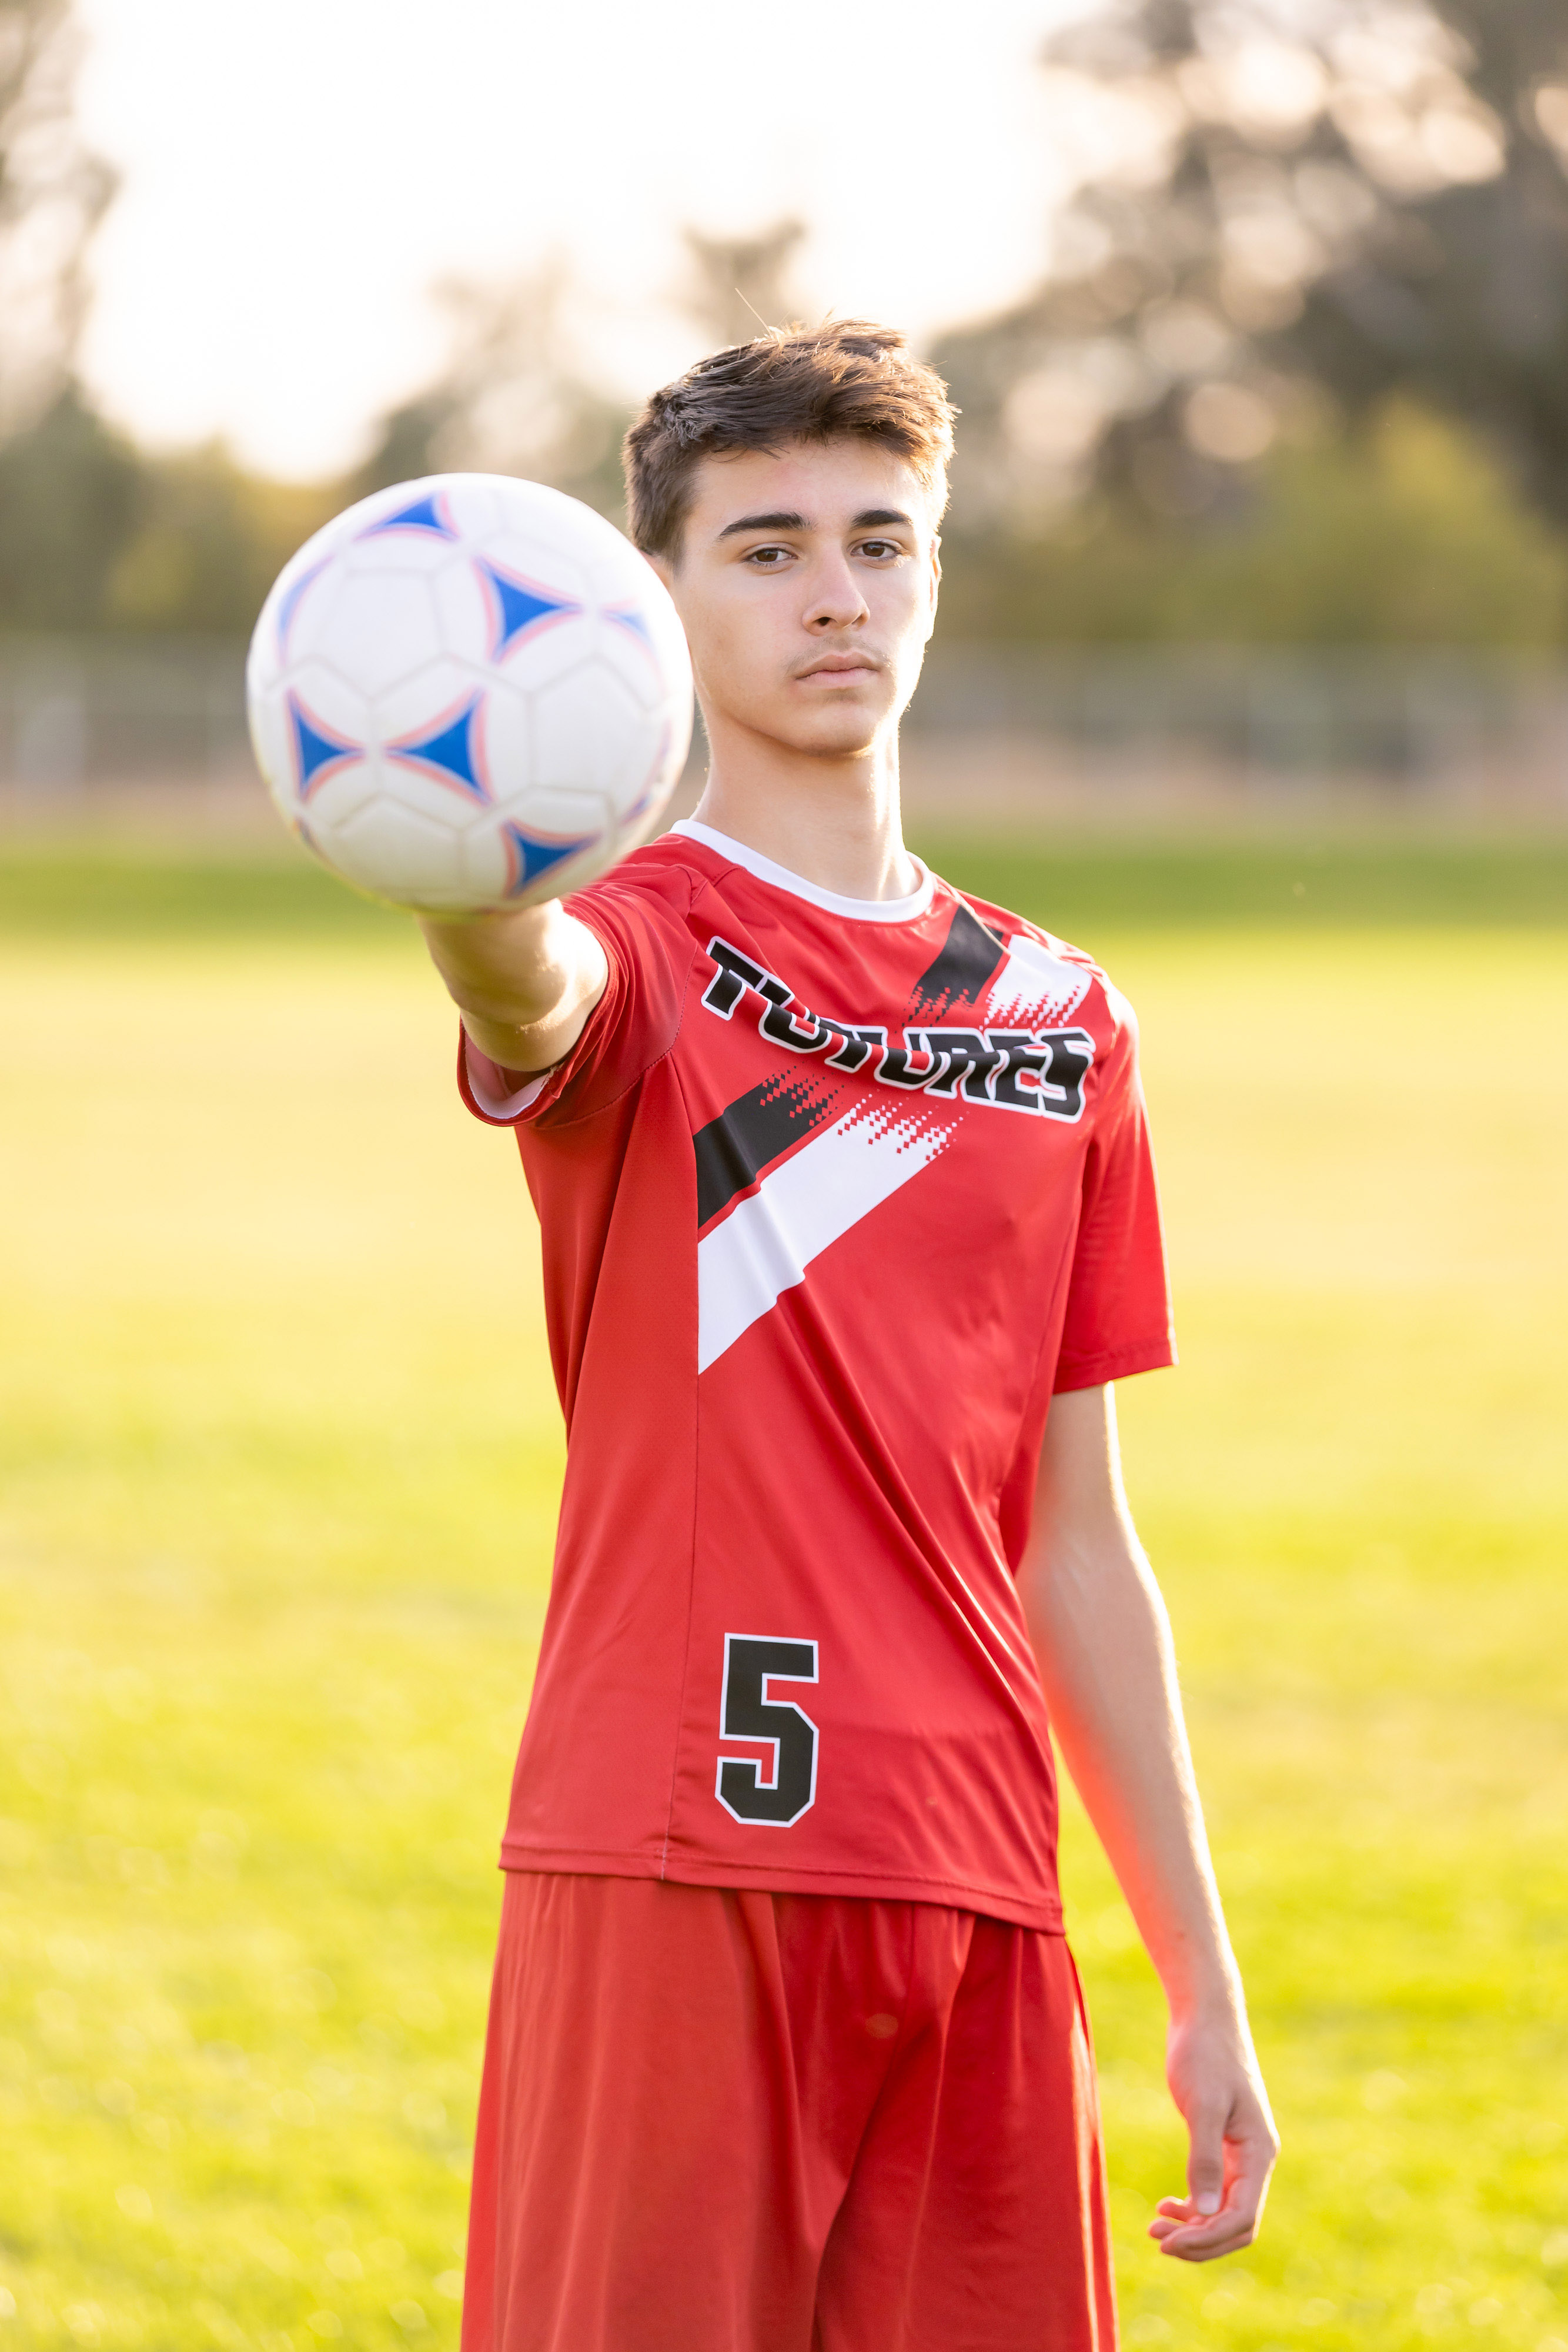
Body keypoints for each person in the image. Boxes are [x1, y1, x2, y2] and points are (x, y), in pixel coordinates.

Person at [419, 321, 1278, 2352]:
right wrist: (455, 859)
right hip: (675, 1852)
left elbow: (1077, 1540)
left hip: (973, 1875)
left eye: (878, 543)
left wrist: (1198, 1976)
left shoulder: (1060, 1019)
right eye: (768, 547)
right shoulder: (639, 943)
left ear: (931, 575)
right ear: (662, 599)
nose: (834, 595)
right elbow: (525, 992)